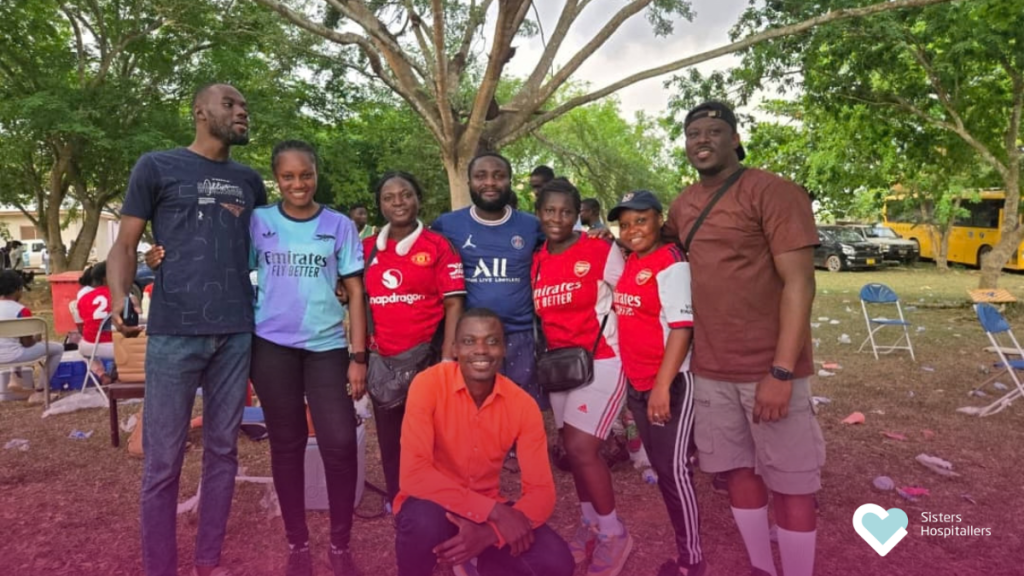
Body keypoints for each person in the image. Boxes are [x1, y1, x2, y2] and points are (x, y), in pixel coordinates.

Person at [107, 83, 268, 576]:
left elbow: (270, 249)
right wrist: (121, 296)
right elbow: (126, 243)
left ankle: (207, 561)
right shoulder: (156, 166)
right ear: (200, 112)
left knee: (223, 452)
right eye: (230, 105)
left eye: (244, 106)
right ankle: (161, 567)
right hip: (174, 333)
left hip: (236, 332)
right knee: (163, 460)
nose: (241, 112)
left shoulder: (250, 179)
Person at [664, 101, 824, 576]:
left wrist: (781, 371)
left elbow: (800, 283)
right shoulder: (683, 203)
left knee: (793, 483)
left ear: (735, 139)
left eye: (715, 131)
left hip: (768, 368)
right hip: (711, 369)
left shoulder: (773, 192)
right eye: (694, 133)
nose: (703, 140)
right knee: (738, 472)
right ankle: (760, 566)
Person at [249, 140, 367, 576]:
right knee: (287, 442)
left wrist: (359, 355)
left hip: (326, 348)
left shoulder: (338, 225)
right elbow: (236, 271)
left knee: (337, 441)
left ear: (316, 174)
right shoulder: (258, 222)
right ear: (276, 178)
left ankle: (340, 541)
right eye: (288, 176)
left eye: (306, 174)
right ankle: (297, 541)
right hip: (272, 347)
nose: (298, 183)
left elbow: (355, 292)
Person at [393, 308, 573, 576]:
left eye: (491, 341)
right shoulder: (427, 385)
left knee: (557, 563)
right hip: (433, 505)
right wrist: (495, 513)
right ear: (454, 348)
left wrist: (491, 533)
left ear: (504, 349)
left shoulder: (522, 405)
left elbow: (542, 492)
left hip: (487, 511)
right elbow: (414, 475)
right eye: (469, 341)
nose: (481, 350)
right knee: (423, 521)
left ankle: (477, 559)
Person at [531, 178, 632, 576]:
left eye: (566, 212)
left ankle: (613, 533)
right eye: (550, 210)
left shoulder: (599, 249)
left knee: (581, 446)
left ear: (577, 215)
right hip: (561, 367)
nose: (558, 218)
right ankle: (590, 523)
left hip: (604, 359)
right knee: (572, 452)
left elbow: (632, 301)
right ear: (539, 213)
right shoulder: (538, 258)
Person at [608, 190, 706, 576]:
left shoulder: (671, 264)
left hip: (670, 385)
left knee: (674, 470)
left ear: (658, 219)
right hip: (639, 385)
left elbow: (683, 330)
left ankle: (692, 560)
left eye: (641, 220)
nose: (633, 229)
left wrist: (662, 387)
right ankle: (688, 550)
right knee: (667, 471)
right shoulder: (632, 261)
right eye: (625, 223)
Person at [363, 171, 465, 505]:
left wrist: (449, 357)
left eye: (405, 194)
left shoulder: (438, 246)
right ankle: (400, 503)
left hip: (428, 360)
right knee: (391, 444)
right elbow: (355, 300)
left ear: (417, 198)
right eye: (388, 197)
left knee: (431, 441)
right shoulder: (366, 249)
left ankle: (436, 505)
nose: (398, 203)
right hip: (383, 365)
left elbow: (454, 303)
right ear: (380, 204)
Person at [431, 153, 545, 406]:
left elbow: (564, 247)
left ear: (510, 181)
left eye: (499, 176)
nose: (490, 183)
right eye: (481, 176)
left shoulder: (531, 225)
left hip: (519, 336)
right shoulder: (447, 225)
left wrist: (595, 236)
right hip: (471, 340)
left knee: (519, 409)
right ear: (470, 182)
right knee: (474, 411)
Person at [0, 270, 64, 397]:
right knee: (58, 349)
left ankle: (16, 376)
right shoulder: (21, 310)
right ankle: (40, 392)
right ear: (18, 289)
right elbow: (27, 343)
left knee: (12, 343)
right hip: (14, 355)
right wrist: (37, 338)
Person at [76, 262, 114, 361]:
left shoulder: (84, 297)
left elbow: (82, 322)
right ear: (106, 277)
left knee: (83, 345)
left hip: (90, 345)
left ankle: (101, 374)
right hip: (115, 345)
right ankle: (120, 372)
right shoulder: (120, 296)